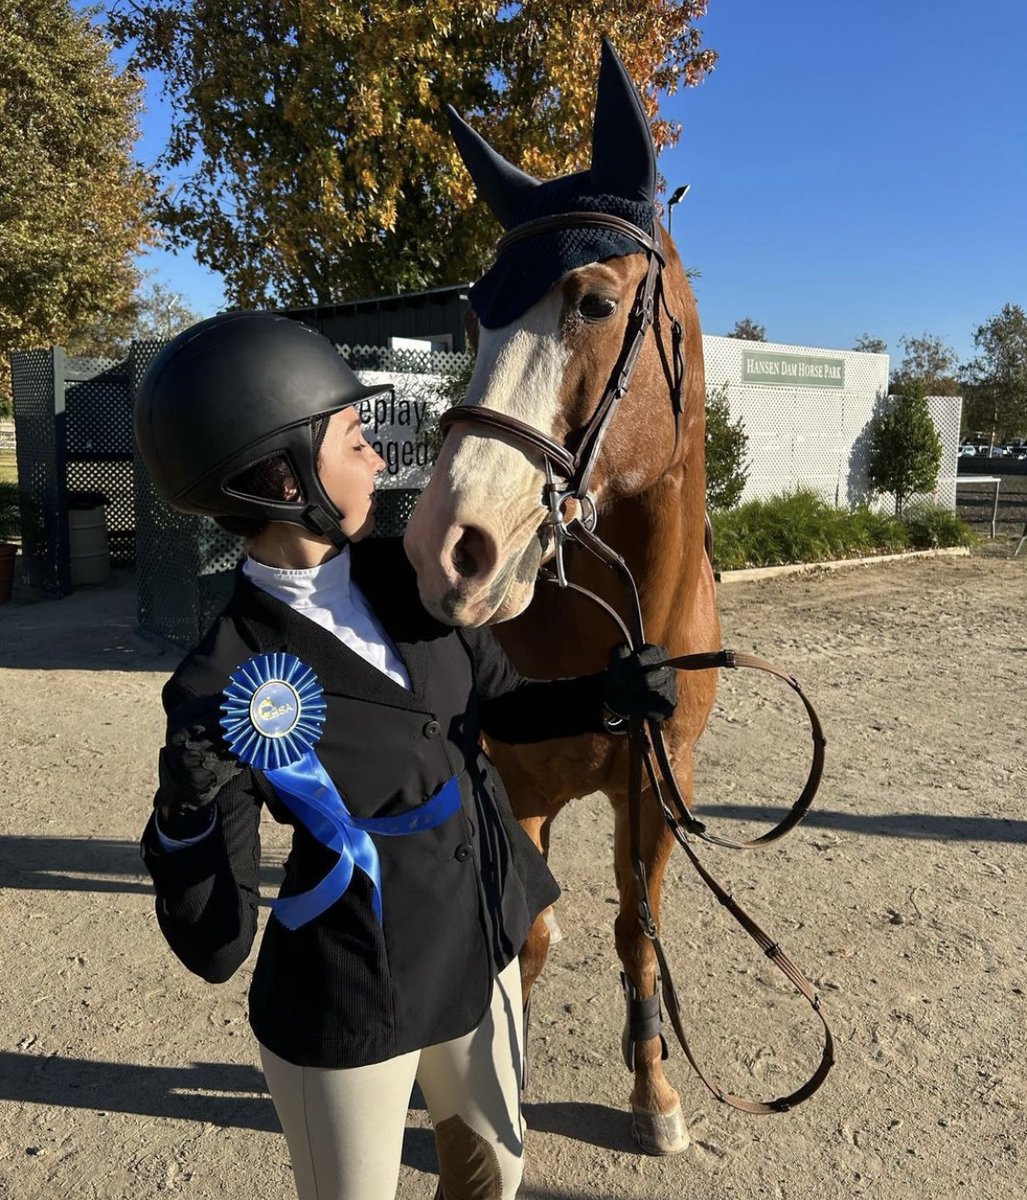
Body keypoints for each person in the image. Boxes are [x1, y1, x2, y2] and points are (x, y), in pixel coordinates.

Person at [134, 311, 676, 1200]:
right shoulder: (223, 680)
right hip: (350, 996)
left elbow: (503, 706)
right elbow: (216, 942)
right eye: (353, 439)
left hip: (484, 943)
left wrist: (604, 697)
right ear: (282, 474)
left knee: (492, 1175)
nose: (379, 460)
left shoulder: (411, 577)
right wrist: (184, 813)